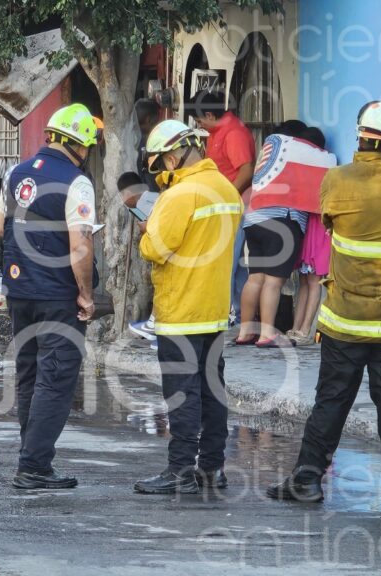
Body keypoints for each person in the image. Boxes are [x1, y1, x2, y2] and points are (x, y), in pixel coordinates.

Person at [268, 100, 381, 506]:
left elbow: (331, 223)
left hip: (347, 319)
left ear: (361, 136)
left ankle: (306, 481)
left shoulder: (337, 181)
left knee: (332, 400)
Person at [0, 104, 100, 490]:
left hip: (19, 290)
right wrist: (86, 295)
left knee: (30, 373)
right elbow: (81, 245)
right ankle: (34, 467)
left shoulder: (16, 173)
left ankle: (31, 456)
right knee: (55, 379)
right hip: (57, 294)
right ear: (81, 146)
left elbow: (0, 227)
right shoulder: (77, 181)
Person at [133, 119, 242, 494]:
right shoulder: (227, 188)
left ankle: (180, 471)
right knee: (213, 391)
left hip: (180, 310)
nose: (163, 170)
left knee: (182, 394)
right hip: (214, 311)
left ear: (175, 155)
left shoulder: (181, 195)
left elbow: (155, 249)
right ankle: (212, 469)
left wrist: (147, 230)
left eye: (162, 162)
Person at [234, 120, 310, 348]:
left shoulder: (269, 150)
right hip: (281, 221)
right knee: (273, 282)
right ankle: (267, 333)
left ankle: (246, 331)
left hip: (254, 220)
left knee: (255, 277)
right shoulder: (298, 152)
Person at [189, 90, 256, 325]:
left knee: (225, 263)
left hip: (233, 207)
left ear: (209, 114)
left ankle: (222, 314)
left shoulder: (233, 132)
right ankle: (237, 316)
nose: (201, 126)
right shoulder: (218, 131)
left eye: (200, 122)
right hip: (224, 206)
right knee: (234, 265)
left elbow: (246, 170)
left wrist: (227, 196)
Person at [289, 127, 332, 346]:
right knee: (305, 280)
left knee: (313, 280)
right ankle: (297, 327)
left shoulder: (326, 169)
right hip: (310, 228)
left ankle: (305, 330)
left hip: (319, 229)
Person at [127, 99, 162, 344]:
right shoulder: (138, 142)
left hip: (159, 204)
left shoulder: (158, 143)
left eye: (141, 123)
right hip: (145, 204)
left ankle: (157, 318)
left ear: (149, 119)